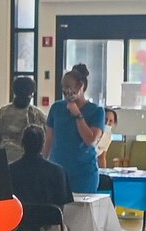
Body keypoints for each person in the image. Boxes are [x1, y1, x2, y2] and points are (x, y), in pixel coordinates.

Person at [8, 126, 74, 231]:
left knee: (18, 222)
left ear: (22, 144)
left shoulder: (9, 170)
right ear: (43, 144)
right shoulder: (57, 171)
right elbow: (61, 206)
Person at [44, 65, 106, 193]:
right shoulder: (57, 108)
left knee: (81, 210)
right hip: (58, 172)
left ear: (80, 86)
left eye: (69, 86)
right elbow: (49, 139)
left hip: (83, 174)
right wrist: (43, 163)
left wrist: (77, 114)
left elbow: (91, 140)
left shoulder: (96, 111)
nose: (66, 91)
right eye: (63, 87)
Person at [0, 75, 47, 164]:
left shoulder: (2, 113)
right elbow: (44, 141)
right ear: (31, 94)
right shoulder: (37, 115)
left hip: (6, 161)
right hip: (26, 163)